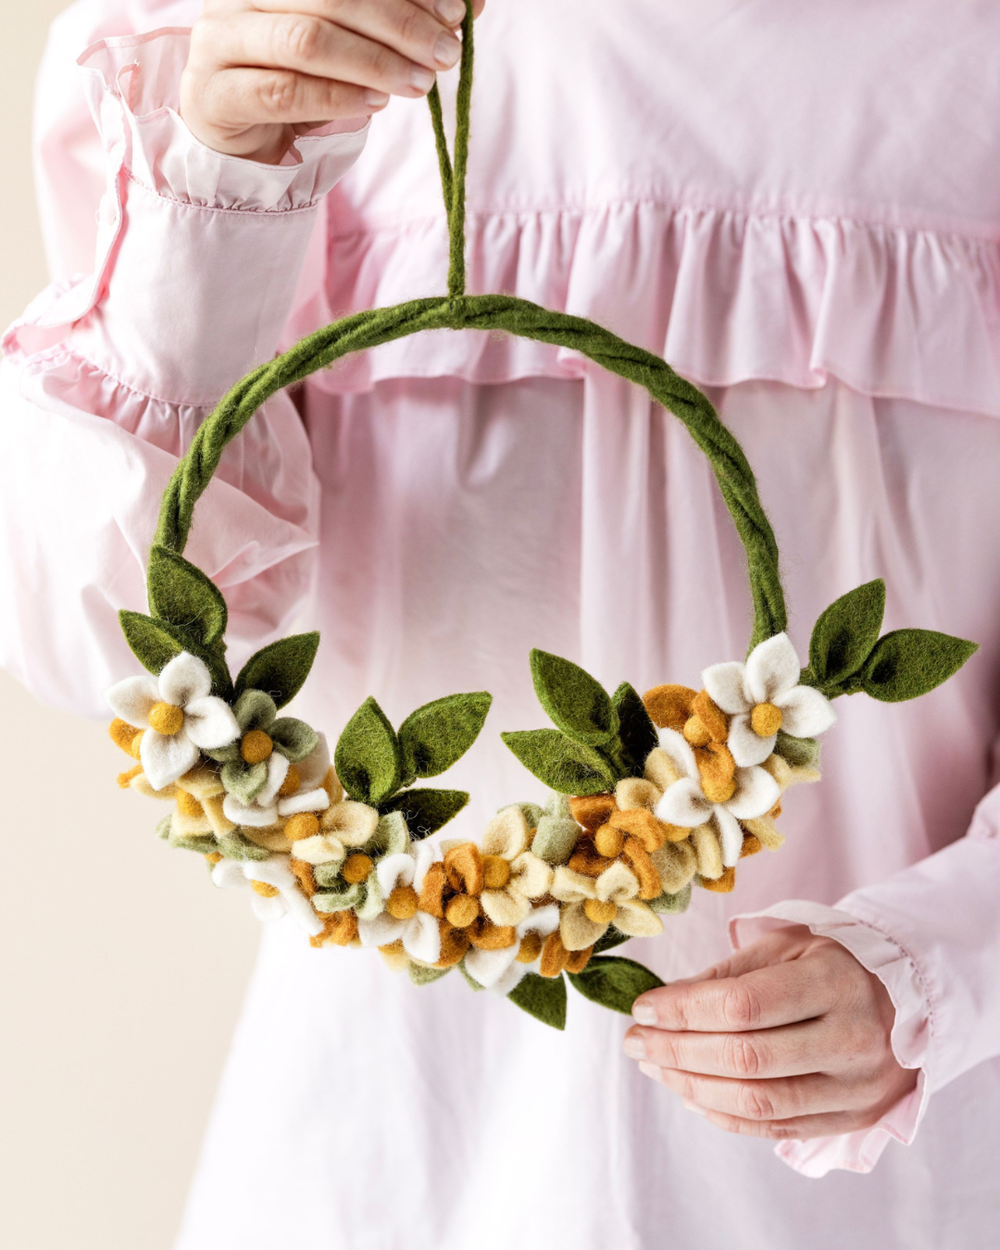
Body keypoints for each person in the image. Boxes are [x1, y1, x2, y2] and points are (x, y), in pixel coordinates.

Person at [2, 1, 999, 1246]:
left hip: (865, 1186)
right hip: (383, 1164)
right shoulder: (242, 35)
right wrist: (225, 179)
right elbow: (98, 637)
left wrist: (944, 963)